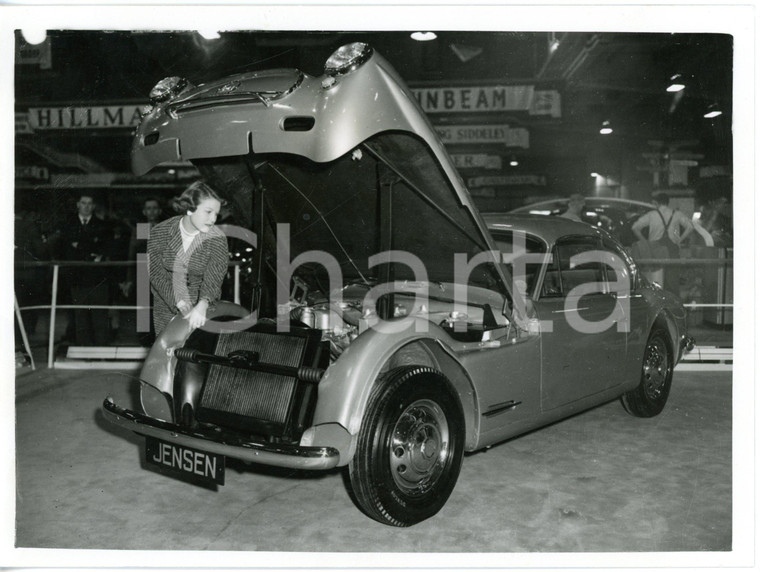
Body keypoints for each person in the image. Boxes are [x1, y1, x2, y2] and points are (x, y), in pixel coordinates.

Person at [147, 182, 229, 334]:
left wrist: (203, 303)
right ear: (190, 210)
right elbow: (156, 273)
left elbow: (214, 277)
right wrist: (178, 301)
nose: (213, 219)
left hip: (202, 307)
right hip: (167, 306)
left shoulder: (217, 238)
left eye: (216, 214)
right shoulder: (160, 232)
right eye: (208, 212)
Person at [58, 194, 112, 346]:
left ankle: (101, 352)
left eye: (90, 203)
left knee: (99, 317)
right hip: (76, 279)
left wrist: (78, 246)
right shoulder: (67, 225)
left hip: (98, 279)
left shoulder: (103, 225)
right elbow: (65, 251)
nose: (87, 206)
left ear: (94, 206)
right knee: (80, 317)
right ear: (78, 204)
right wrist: (91, 251)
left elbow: (106, 249)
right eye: (83, 203)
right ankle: (83, 351)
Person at [631, 192, 694, 292]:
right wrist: (679, 240)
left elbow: (635, 227)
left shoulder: (651, 215)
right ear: (667, 202)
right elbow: (690, 227)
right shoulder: (677, 214)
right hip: (672, 250)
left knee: (655, 283)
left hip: (655, 251)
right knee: (672, 283)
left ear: (657, 203)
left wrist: (644, 241)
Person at [122, 197, 164, 344]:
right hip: (142, 275)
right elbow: (132, 255)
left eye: (154, 208)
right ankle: (144, 343)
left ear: (160, 211)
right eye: (148, 208)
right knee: (143, 313)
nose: (151, 211)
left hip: (162, 276)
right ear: (144, 212)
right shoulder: (140, 229)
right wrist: (129, 279)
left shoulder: (166, 228)